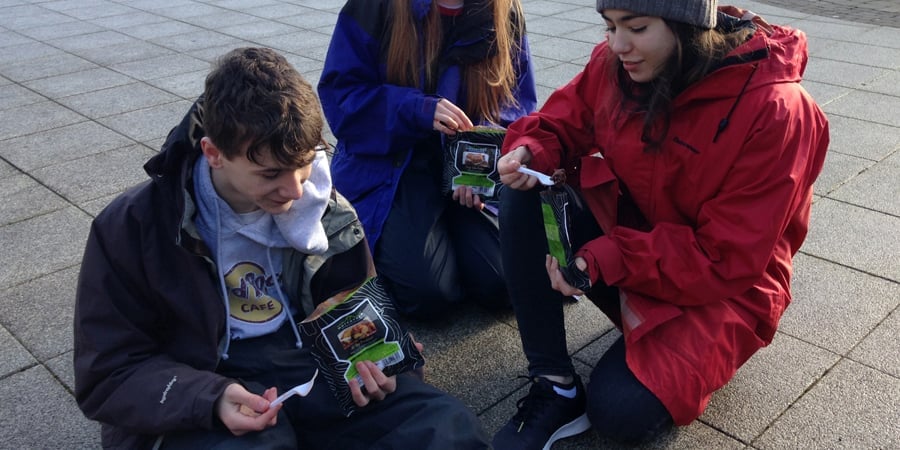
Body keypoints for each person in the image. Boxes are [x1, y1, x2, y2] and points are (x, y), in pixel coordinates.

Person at [73, 47, 489, 449]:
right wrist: (209, 398)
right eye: (270, 173)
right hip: (202, 375)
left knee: (443, 426)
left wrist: (386, 360)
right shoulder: (133, 226)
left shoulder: (328, 209)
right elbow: (109, 371)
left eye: (304, 163)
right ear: (214, 153)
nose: (294, 191)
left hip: (309, 365)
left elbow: (357, 311)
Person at [492, 1, 829, 448]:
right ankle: (554, 384)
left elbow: (726, 257)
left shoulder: (778, 110)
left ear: (689, 25)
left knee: (620, 413)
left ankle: (689, 356)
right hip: (637, 246)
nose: (617, 45)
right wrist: (533, 150)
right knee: (523, 193)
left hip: (726, 287)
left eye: (636, 27)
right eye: (610, 27)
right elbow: (562, 121)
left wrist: (605, 257)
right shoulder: (615, 64)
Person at [317, 0, 537, 319]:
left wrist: (481, 160)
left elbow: (517, 106)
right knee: (428, 296)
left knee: (504, 283)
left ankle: (446, 237)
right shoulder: (374, 7)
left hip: (465, 172)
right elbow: (343, 100)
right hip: (393, 165)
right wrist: (415, 109)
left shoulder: (504, 10)